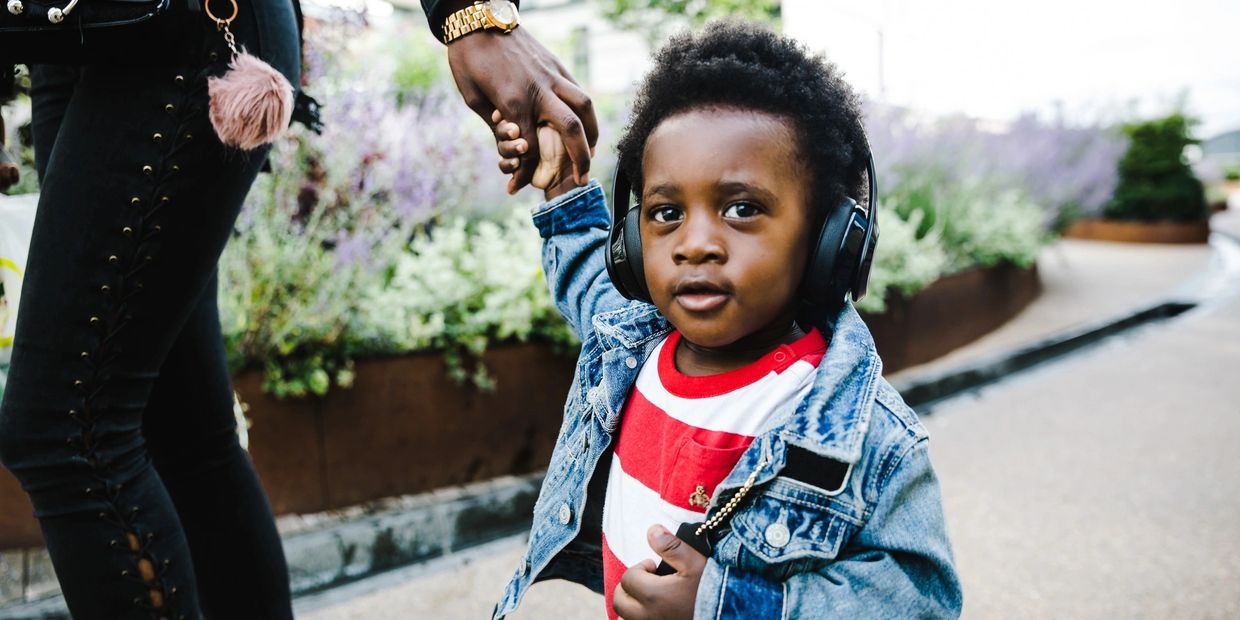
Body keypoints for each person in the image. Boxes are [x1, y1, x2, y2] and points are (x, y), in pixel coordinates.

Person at [0, 0, 595, 618]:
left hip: (183, 28)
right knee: (180, 428)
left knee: (67, 434)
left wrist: (472, 14)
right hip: (66, 37)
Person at [487, 21, 962, 619]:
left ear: (827, 243)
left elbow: (920, 600)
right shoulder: (628, 346)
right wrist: (561, 186)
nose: (695, 245)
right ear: (631, 245)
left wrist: (724, 604)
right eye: (665, 213)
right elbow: (585, 271)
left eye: (742, 209)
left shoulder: (866, 434)